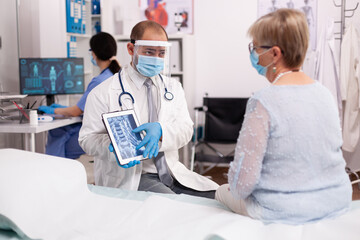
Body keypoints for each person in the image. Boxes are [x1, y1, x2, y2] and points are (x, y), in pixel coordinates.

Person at [215, 9, 352, 224]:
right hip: (336, 200)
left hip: (282, 210)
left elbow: (242, 184)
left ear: (275, 54)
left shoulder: (263, 101)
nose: (253, 54)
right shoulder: (325, 94)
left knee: (221, 191)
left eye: (255, 48)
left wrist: (229, 186)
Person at [79, 20, 219, 198]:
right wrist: (113, 146)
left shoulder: (173, 87)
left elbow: (186, 130)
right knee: (174, 207)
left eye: (161, 53)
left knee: (218, 198)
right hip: (134, 177)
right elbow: (86, 139)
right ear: (131, 49)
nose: (156, 58)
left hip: (172, 173)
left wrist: (161, 132)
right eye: (149, 52)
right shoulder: (103, 92)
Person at [38, 32, 120, 159]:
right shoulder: (115, 74)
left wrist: (52, 110)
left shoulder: (99, 81)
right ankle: (58, 169)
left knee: (57, 133)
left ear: (93, 53)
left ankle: (53, 169)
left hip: (98, 132)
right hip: (109, 130)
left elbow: (76, 111)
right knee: (61, 135)